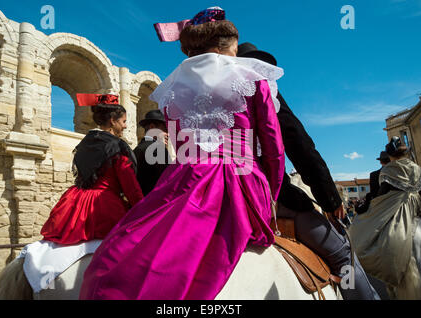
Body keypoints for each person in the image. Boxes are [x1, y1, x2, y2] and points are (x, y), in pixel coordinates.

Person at [80, 7, 285, 300]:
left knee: (141, 244)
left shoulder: (171, 87)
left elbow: (179, 144)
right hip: (239, 179)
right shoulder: (251, 76)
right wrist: (271, 194)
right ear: (227, 44)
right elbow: (273, 145)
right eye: (236, 46)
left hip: (184, 176)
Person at [238, 42, 380, 300]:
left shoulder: (214, 99)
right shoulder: (265, 92)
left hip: (220, 198)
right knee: (344, 255)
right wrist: (329, 198)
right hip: (270, 198)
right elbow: (299, 145)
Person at [41, 94, 144, 245]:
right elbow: (131, 187)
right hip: (104, 204)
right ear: (113, 121)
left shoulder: (84, 144)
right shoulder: (117, 146)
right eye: (123, 121)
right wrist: (143, 208)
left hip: (76, 201)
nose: (125, 126)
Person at [349, 137, 421, 299]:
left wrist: (365, 206)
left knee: (357, 232)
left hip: (392, 207)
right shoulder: (418, 168)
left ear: (390, 156)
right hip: (415, 206)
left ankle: (351, 275)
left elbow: (381, 195)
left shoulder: (388, 170)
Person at [133, 109, 170, 195]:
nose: (168, 134)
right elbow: (167, 179)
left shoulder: (138, 148)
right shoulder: (158, 148)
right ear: (152, 127)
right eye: (165, 130)